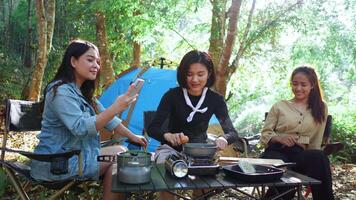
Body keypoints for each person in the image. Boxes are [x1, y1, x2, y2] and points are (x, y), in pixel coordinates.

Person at [30, 39, 147, 200]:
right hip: (57, 164)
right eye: (90, 60)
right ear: (73, 61)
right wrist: (116, 107)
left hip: (76, 157)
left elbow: (109, 119)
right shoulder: (61, 91)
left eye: (98, 62)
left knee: (120, 155)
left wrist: (133, 137)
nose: (96, 66)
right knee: (120, 157)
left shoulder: (83, 93)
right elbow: (80, 127)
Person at [147, 50, 243, 199]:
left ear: (209, 73)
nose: (195, 79)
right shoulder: (172, 96)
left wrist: (224, 139)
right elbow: (152, 128)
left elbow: (232, 132)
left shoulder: (215, 100)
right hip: (170, 150)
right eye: (189, 74)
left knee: (203, 184)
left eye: (200, 74)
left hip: (201, 153)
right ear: (183, 74)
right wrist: (168, 135)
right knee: (168, 177)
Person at [260, 66, 334, 200]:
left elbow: (316, 140)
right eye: (295, 84)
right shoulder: (279, 106)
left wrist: (310, 154)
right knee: (285, 168)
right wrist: (279, 138)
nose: (298, 88)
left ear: (312, 85)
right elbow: (265, 134)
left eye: (303, 84)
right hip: (277, 153)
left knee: (319, 157)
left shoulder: (321, 107)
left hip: (300, 154)